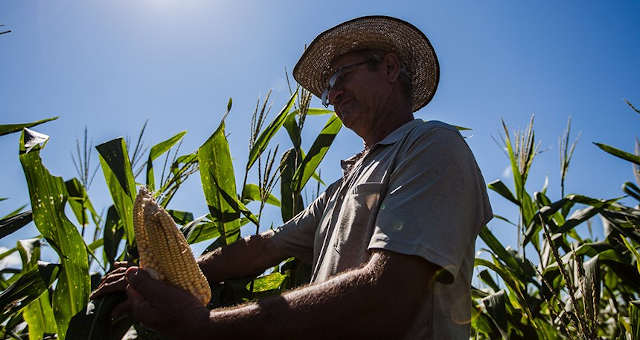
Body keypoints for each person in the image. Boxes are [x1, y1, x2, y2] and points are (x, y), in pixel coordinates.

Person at [91, 15, 492, 339]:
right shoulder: (345, 185)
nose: (332, 95)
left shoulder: (432, 148)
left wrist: (201, 326)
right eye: (327, 89)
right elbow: (262, 248)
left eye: (341, 78)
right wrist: (168, 270)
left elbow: (388, 298)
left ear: (388, 67)